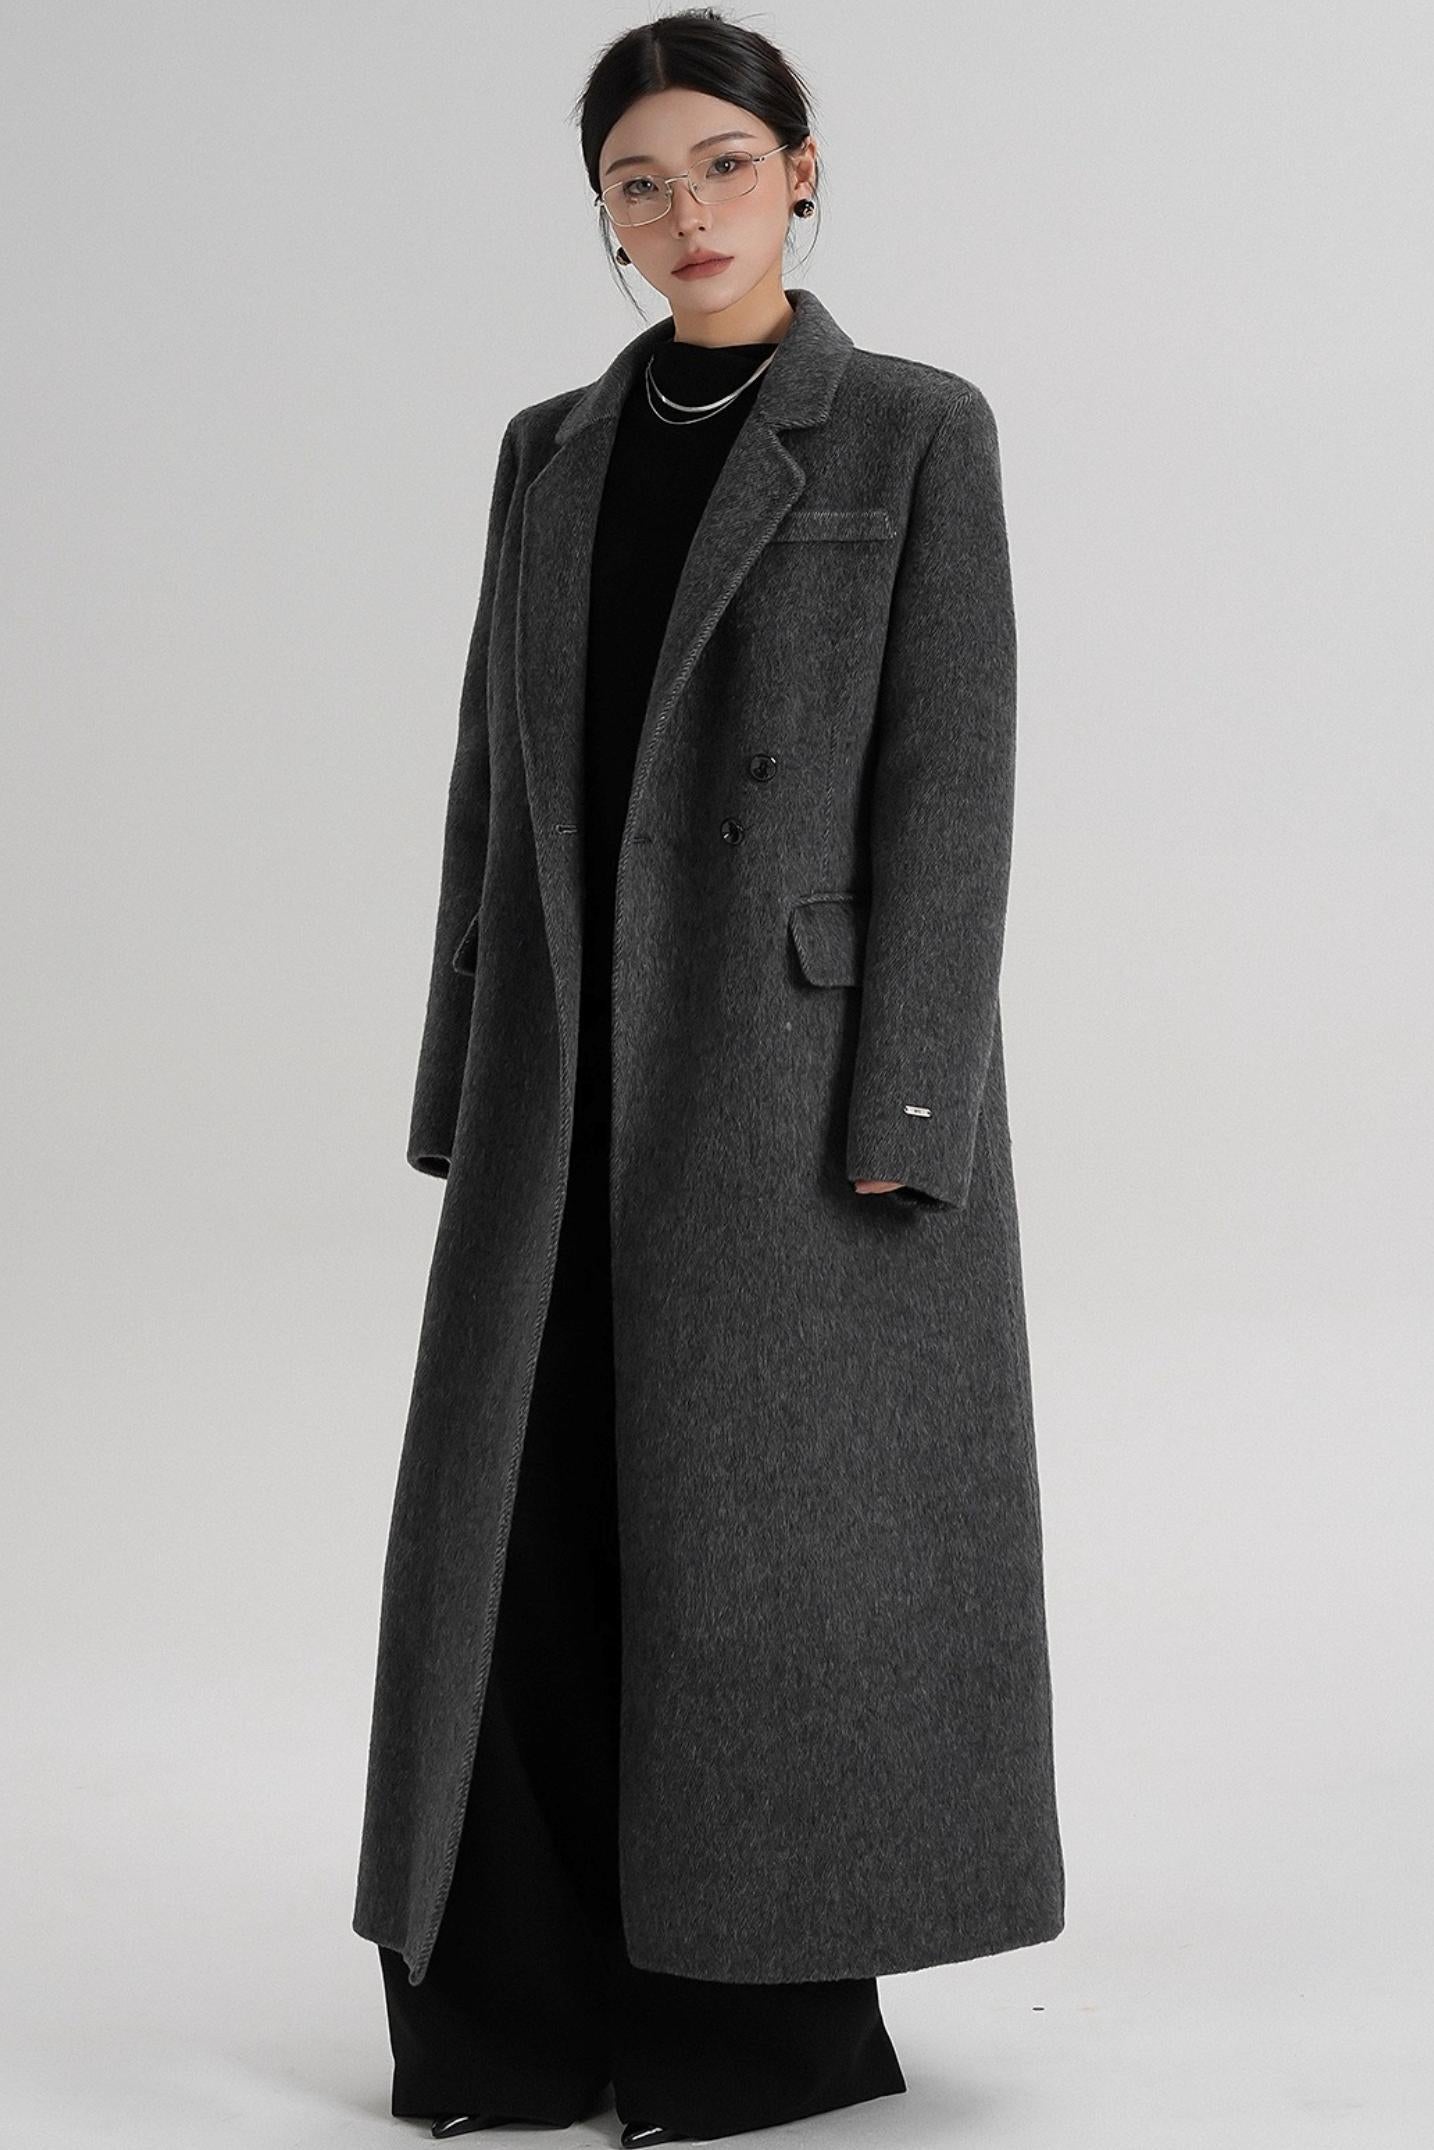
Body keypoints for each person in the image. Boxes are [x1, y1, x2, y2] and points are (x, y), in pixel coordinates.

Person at [355, 10, 1065, 2142]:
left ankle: (741, 2037)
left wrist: (909, 1109)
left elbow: (953, 787)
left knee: (761, 1570)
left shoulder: (912, 428)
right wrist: (459, 1078)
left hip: (789, 1093)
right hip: (561, 1083)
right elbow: (489, 791)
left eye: (726, 165)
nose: (687, 213)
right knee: (527, 1536)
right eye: (640, 182)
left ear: (802, 172)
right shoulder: (545, 454)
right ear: (603, 212)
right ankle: (512, 2019)